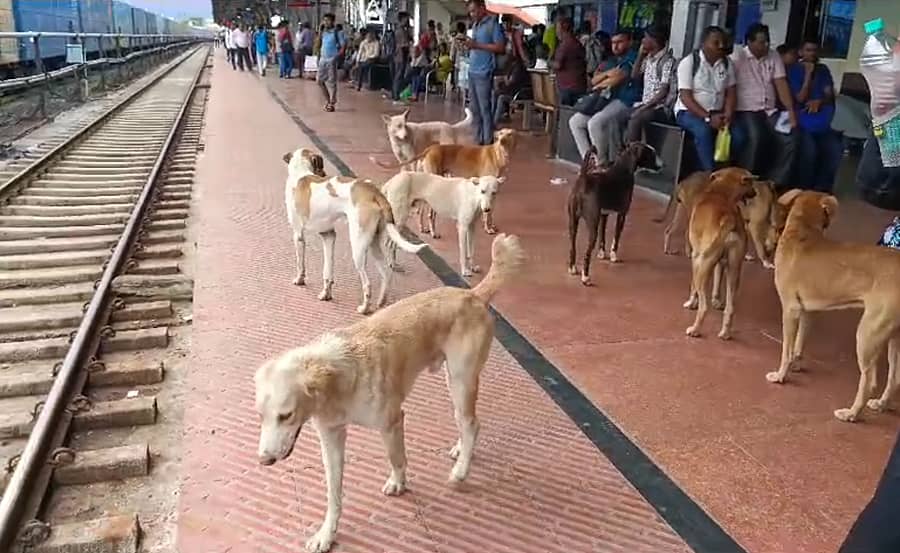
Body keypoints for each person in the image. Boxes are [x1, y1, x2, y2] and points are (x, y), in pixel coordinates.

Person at [729, 23, 797, 187]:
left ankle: (774, 182)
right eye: (761, 42)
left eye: (767, 41)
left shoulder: (773, 56)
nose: (765, 45)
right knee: (756, 137)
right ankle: (744, 182)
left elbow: (781, 83)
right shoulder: (737, 57)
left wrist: (790, 111)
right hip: (747, 110)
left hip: (770, 111)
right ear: (749, 42)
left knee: (790, 139)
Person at [568, 30, 639, 162]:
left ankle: (601, 164)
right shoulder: (614, 60)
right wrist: (608, 74)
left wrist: (605, 79)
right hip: (608, 100)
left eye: (620, 42)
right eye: (613, 43)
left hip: (627, 101)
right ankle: (588, 162)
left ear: (629, 42)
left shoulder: (633, 57)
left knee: (595, 123)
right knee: (575, 122)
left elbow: (618, 78)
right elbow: (593, 80)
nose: (616, 46)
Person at [674, 26, 737, 171]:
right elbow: (686, 97)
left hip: (718, 112)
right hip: (688, 112)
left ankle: (724, 171)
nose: (721, 46)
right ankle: (710, 175)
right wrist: (708, 117)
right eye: (716, 42)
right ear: (704, 43)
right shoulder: (689, 63)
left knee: (739, 136)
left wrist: (728, 115)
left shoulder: (727, 64)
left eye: (723, 42)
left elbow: (731, 92)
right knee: (703, 131)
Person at [787, 40, 844, 193]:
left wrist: (820, 101)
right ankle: (803, 190)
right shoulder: (794, 70)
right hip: (802, 123)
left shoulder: (823, 70)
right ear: (800, 52)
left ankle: (822, 190)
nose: (812, 54)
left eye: (814, 50)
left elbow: (829, 95)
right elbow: (800, 98)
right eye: (808, 50)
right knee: (809, 151)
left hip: (823, 125)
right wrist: (808, 75)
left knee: (834, 150)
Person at [461, 0, 506, 145]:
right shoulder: (475, 25)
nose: (472, 14)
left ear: (482, 8)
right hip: (473, 70)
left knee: (485, 108)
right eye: (470, 11)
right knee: (474, 109)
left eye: (474, 10)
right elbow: (476, 45)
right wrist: (468, 44)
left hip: (484, 71)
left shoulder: (493, 25)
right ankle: (478, 139)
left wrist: (477, 45)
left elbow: (500, 47)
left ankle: (488, 141)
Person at [625, 26, 676, 142]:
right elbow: (634, 76)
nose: (642, 40)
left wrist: (644, 108)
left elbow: (663, 91)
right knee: (617, 118)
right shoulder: (648, 58)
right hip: (644, 104)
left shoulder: (667, 61)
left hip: (659, 107)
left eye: (645, 37)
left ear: (654, 40)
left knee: (635, 120)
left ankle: (632, 155)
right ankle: (619, 153)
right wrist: (640, 55)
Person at [552, 17, 587, 106]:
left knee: (565, 115)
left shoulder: (565, 44)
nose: (556, 31)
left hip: (567, 87)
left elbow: (558, 65)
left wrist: (548, 62)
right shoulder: (576, 43)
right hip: (579, 85)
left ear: (563, 28)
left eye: (557, 28)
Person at [493, 50, 528, 124]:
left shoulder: (518, 67)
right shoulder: (510, 65)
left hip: (515, 93)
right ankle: (492, 117)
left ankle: (495, 121)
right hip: (509, 90)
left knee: (501, 98)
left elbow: (510, 81)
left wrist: (503, 79)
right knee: (494, 93)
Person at [318, 13, 344, 112]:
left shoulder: (338, 33)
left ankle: (331, 103)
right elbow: (319, 43)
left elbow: (342, 47)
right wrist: (320, 31)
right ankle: (328, 100)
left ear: (333, 21)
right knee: (319, 81)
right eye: (324, 20)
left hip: (331, 59)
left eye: (328, 20)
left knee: (332, 82)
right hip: (322, 58)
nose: (326, 22)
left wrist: (336, 57)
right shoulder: (324, 32)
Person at [391, 11, 414, 102]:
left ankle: (396, 94)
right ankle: (396, 96)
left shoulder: (403, 30)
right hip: (400, 56)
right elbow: (404, 44)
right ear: (402, 19)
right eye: (406, 18)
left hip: (400, 56)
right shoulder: (400, 31)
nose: (407, 20)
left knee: (399, 75)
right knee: (399, 75)